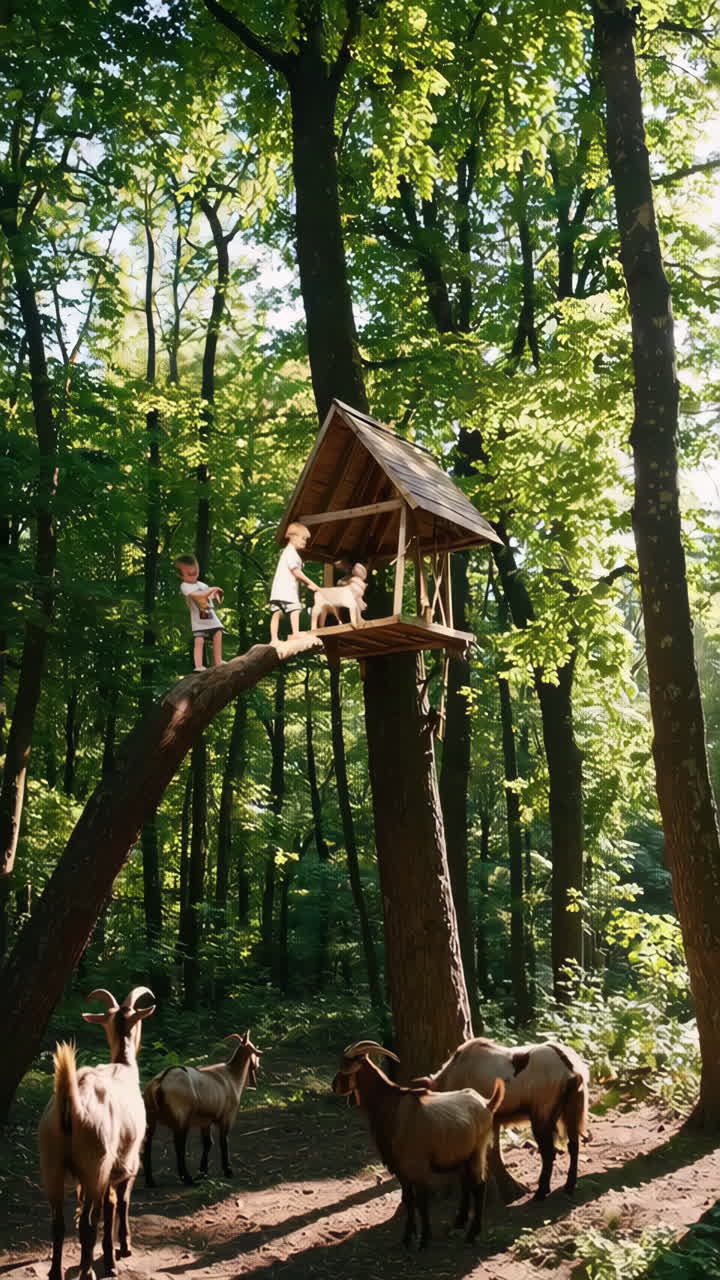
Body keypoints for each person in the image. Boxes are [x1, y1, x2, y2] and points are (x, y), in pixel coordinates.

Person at [269, 522, 319, 641]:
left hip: (277, 591)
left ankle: (274, 638)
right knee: (295, 609)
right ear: (293, 537)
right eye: (303, 539)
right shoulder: (291, 553)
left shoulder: (286, 552)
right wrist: (311, 583)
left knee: (276, 613)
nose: (304, 542)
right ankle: (295, 632)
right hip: (286, 590)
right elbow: (296, 572)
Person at [174, 554, 224, 670]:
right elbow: (199, 596)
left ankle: (218, 661)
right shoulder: (185, 586)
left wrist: (216, 593)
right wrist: (211, 589)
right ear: (180, 575)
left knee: (218, 633)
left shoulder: (203, 585)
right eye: (189, 574)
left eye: (195, 573)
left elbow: (210, 596)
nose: (193, 576)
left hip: (210, 614)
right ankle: (199, 665)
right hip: (199, 618)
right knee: (199, 639)